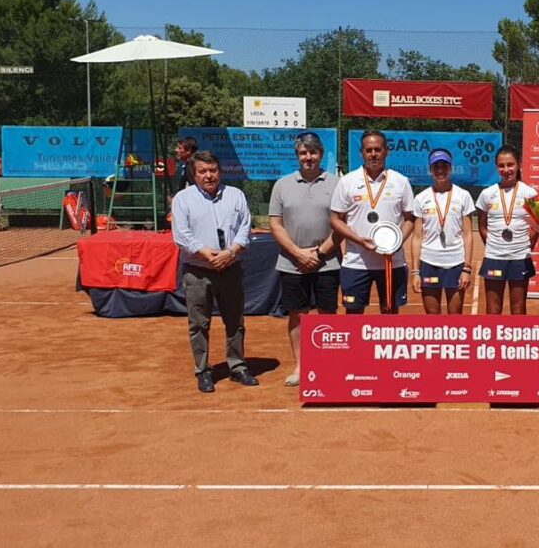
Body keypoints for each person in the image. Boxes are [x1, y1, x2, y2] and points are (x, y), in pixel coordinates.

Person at [171, 150, 258, 393]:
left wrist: (230, 252)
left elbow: (245, 227)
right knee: (199, 324)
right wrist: (207, 254)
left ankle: (237, 366)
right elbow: (181, 235)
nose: (208, 176)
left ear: (219, 171)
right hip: (197, 271)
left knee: (236, 321)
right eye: (202, 172)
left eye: (213, 170)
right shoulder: (182, 199)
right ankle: (203, 370)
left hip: (231, 267)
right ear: (194, 174)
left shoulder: (236, 195)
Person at [268, 132, 342, 387]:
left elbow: (341, 225)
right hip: (292, 261)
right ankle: (302, 366)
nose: (308, 157)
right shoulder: (282, 185)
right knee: (297, 315)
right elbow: (275, 224)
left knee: (327, 314)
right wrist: (298, 253)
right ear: (297, 156)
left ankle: (327, 364)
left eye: (313, 152)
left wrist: (319, 253)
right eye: (303, 153)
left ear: (321, 154)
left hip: (328, 261)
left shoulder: (336, 184)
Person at [329, 130, 416, 314]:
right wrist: (359, 240)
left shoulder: (401, 182)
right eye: (369, 150)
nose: (373, 154)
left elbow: (409, 219)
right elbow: (335, 220)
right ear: (361, 152)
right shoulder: (347, 182)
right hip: (356, 262)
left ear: (386, 151)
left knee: (390, 313)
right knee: (353, 314)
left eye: (378, 149)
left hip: (392, 261)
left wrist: (397, 241)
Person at [411, 148, 476, 314]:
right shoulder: (421, 198)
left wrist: (466, 269)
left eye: (444, 166)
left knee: (455, 316)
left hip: (456, 263)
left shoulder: (463, 196)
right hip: (429, 263)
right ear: (430, 169)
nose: (440, 170)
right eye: (436, 166)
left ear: (451, 168)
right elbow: (417, 237)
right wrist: (415, 272)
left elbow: (468, 234)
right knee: (433, 317)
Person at [476, 145, 538, 315]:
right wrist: (492, 245)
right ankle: (494, 342)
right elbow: (482, 225)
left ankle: (517, 342)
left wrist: (526, 246)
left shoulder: (530, 193)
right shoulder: (487, 194)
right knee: (493, 309)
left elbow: (537, 225)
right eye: (501, 165)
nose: (506, 169)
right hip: (494, 257)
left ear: (518, 165)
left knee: (518, 309)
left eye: (510, 164)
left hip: (520, 257)